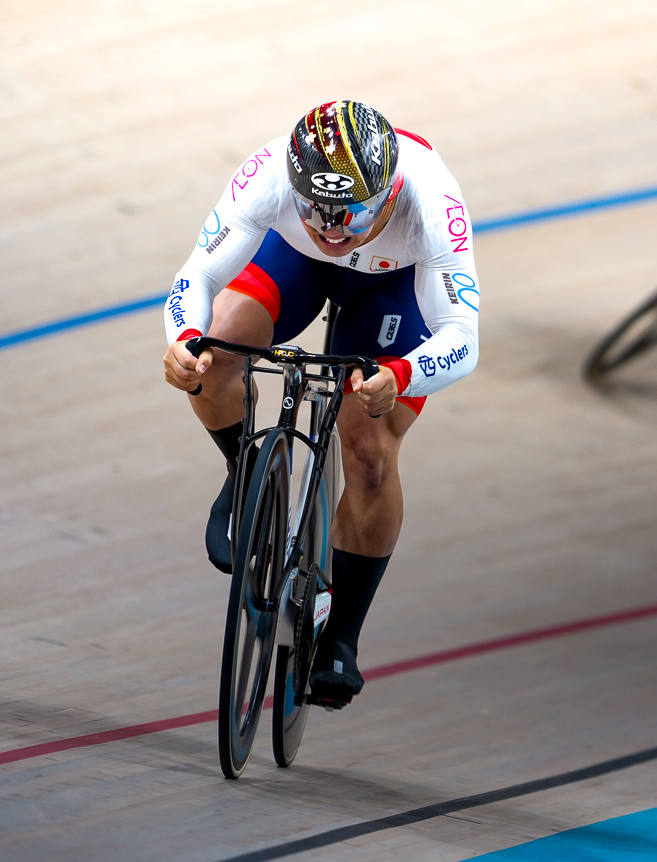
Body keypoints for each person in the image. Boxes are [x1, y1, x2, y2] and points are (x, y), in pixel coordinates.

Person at [161, 100, 480, 708]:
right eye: (317, 209)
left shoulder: (433, 201)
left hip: (393, 286)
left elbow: (463, 337)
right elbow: (195, 279)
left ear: (387, 194)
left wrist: (404, 373)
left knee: (368, 447)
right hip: (295, 265)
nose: (333, 228)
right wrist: (182, 343)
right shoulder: (268, 176)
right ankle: (247, 474)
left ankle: (343, 636)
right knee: (215, 356)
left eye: (350, 213)